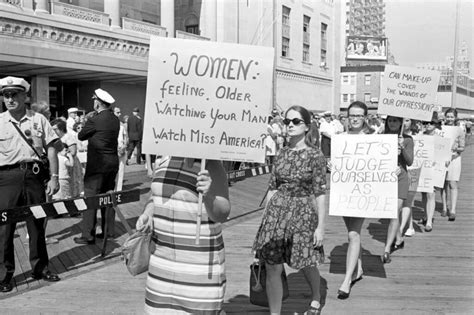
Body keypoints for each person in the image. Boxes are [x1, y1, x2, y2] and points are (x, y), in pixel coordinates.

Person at [252, 105, 327, 314]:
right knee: (273, 265)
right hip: (276, 213)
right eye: (287, 121)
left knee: (304, 261)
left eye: (296, 121)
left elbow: (320, 193)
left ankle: (316, 294)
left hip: (302, 213)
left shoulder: (315, 156)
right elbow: (273, 187)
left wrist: (321, 227)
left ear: (306, 126)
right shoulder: (282, 153)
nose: (290, 125)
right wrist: (264, 222)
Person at [136, 157, 231, 314]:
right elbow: (156, 196)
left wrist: (209, 195)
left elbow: (222, 213)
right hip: (161, 266)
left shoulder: (211, 165)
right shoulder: (163, 160)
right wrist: (148, 212)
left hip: (197, 271)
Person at [0, 76, 61, 293]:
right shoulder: (0, 122)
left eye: (14, 94)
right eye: (6, 95)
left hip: (34, 177)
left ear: (25, 96)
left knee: (37, 224)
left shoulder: (39, 120)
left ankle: (40, 268)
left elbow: (52, 148)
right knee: (5, 228)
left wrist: (54, 177)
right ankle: (4, 275)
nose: (10, 99)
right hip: (7, 179)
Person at [336, 101, 374, 299]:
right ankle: (358, 269)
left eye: (359, 115)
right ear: (347, 117)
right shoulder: (340, 138)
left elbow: (379, 165)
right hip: (344, 191)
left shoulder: (372, 139)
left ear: (365, 117)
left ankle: (346, 280)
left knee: (353, 234)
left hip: (362, 192)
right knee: (352, 232)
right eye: (352, 115)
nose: (355, 118)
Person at [73, 88, 120, 244]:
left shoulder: (94, 120)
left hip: (97, 165)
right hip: (112, 164)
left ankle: (88, 235)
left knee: (91, 199)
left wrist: (88, 121)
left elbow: (81, 135)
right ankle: (108, 231)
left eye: (94, 101)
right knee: (108, 197)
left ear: (98, 103)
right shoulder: (115, 119)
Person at [381, 116, 414, 264]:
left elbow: (410, 161)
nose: (392, 123)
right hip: (386, 178)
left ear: (401, 122)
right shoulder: (381, 138)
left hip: (401, 177)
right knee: (390, 213)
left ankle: (387, 249)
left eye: (395, 121)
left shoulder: (407, 139)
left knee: (394, 212)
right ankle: (399, 238)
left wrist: (402, 149)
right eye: (390, 121)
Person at [440, 108, 465, 221]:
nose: (449, 118)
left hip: (454, 159)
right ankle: (445, 207)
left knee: (452, 183)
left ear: (455, 117)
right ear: (445, 117)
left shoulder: (459, 130)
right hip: (442, 158)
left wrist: (457, 148)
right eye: (448, 116)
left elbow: (462, 147)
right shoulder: (440, 129)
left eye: (452, 116)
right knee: (443, 184)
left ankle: (453, 210)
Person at [419, 113, 442, 232]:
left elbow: (444, 156)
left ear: (436, 124)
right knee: (423, 193)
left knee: (431, 194)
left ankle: (429, 220)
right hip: (422, 168)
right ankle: (425, 214)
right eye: (425, 123)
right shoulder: (419, 137)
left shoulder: (440, 139)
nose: (428, 125)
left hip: (434, 169)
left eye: (431, 123)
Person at [51, 119, 84, 198]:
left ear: (61, 129)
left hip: (69, 165)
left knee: (71, 189)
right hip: (60, 165)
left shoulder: (68, 137)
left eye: (55, 129)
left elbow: (73, 152)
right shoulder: (55, 138)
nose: (54, 131)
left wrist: (62, 153)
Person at [401, 118, 420, 237]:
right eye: (402, 120)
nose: (404, 123)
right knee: (404, 200)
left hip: (416, 168)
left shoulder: (417, 135)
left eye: (407, 120)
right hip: (404, 169)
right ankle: (410, 226)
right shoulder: (394, 135)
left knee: (408, 199)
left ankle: (407, 226)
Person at [114, 107, 128, 190]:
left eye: (120, 112)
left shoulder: (121, 125)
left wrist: (124, 145)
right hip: (113, 149)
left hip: (121, 148)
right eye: (117, 112)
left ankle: (119, 189)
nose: (120, 114)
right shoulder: (108, 124)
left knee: (121, 169)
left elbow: (126, 137)